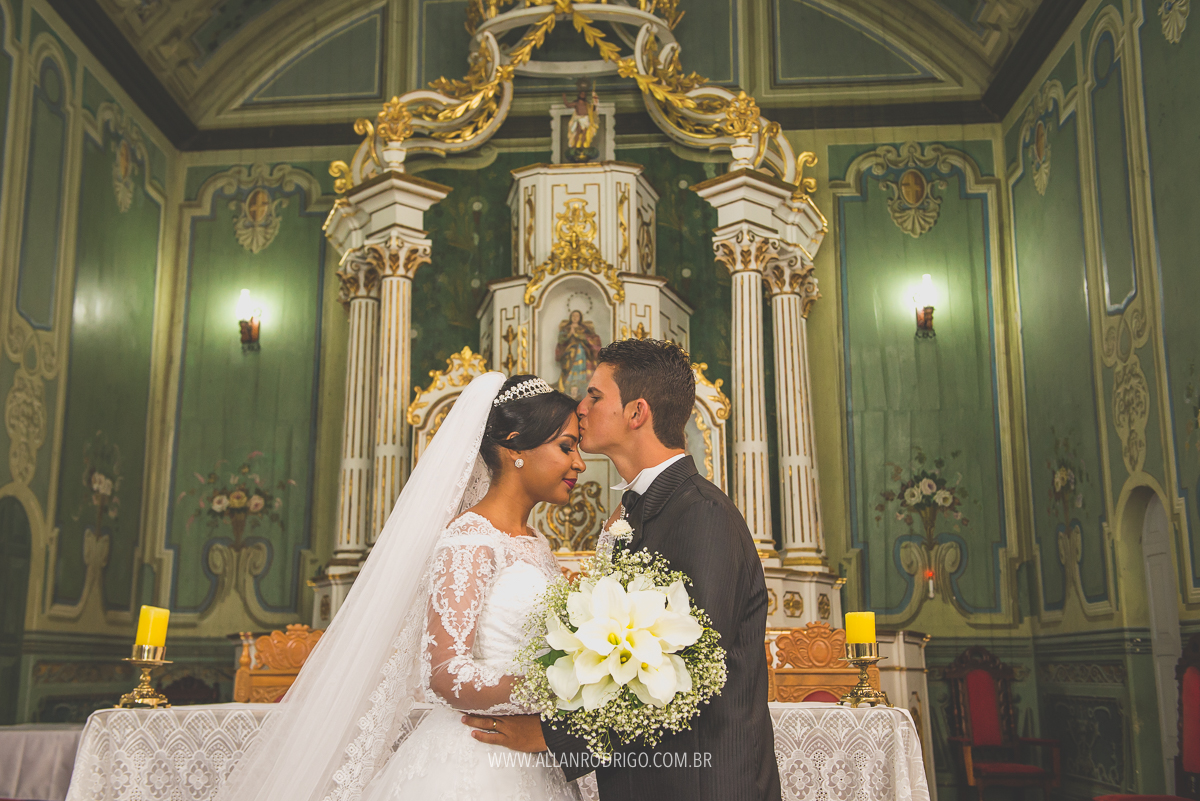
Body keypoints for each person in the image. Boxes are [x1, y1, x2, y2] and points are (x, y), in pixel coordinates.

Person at [217, 372, 587, 801]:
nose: (578, 462)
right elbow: (446, 672)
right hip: (475, 762)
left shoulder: (536, 543)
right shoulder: (470, 539)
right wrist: (560, 688)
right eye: (566, 446)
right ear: (514, 447)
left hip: (536, 756)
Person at [462, 339, 782, 801]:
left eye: (594, 395)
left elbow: (689, 666)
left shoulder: (701, 513)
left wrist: (551, 735)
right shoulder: (635, 512)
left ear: (637, 412)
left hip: (701, 784)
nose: (580, 405)